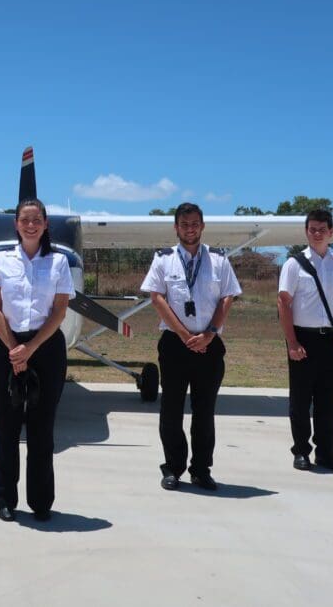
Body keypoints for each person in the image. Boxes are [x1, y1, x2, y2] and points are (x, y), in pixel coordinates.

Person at [0, 198, 75, 522]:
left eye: (37, 219)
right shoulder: (0, 260)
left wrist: (31, 349)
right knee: (6, 427)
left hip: (46, 347)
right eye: (25, 219)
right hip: (7, 344)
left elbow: (60, 309)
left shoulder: (59, 263)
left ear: (46, 223)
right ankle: (5, 500)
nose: (31, 224)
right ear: (16, 224)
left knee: (42, 428)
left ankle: (41, 502)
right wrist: (14, 348)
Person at [140, 203, 241, 491]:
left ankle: (201, 470)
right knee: (171, 408)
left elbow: (227, 298)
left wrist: (209, 333)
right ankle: (172, 468)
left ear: (202, 226)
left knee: (204, 410)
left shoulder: (219, 261)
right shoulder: (163, 260)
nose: (190, 228)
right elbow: (157, 298)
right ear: (176, 227)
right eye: (184, 224)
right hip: (175, 344)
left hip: (209, 345)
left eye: (195, 223)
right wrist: (184, 335)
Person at [277, 208, 333, 472]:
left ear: (331, 232)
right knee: (300, 400)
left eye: (322, 229)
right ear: (306, 231)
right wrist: (292, 343)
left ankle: (326, 452)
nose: (316, 234)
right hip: (303, 338)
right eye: (312, 229)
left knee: (328, 401)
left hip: (332, 342)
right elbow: (283, 303)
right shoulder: (294, 265)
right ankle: (301, 451)